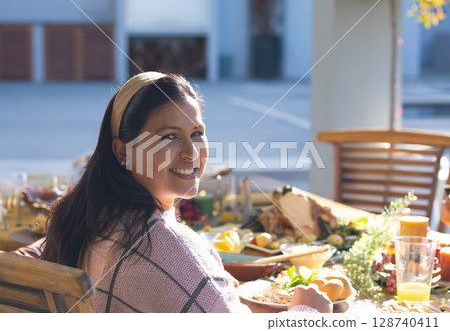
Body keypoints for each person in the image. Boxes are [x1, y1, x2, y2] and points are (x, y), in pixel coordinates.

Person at [41, 72, 332, 313]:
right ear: (123, 151)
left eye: (196, 133)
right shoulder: (167, 246)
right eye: (169, 137)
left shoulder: (94, 217)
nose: (191, 152)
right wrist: (307, 311)